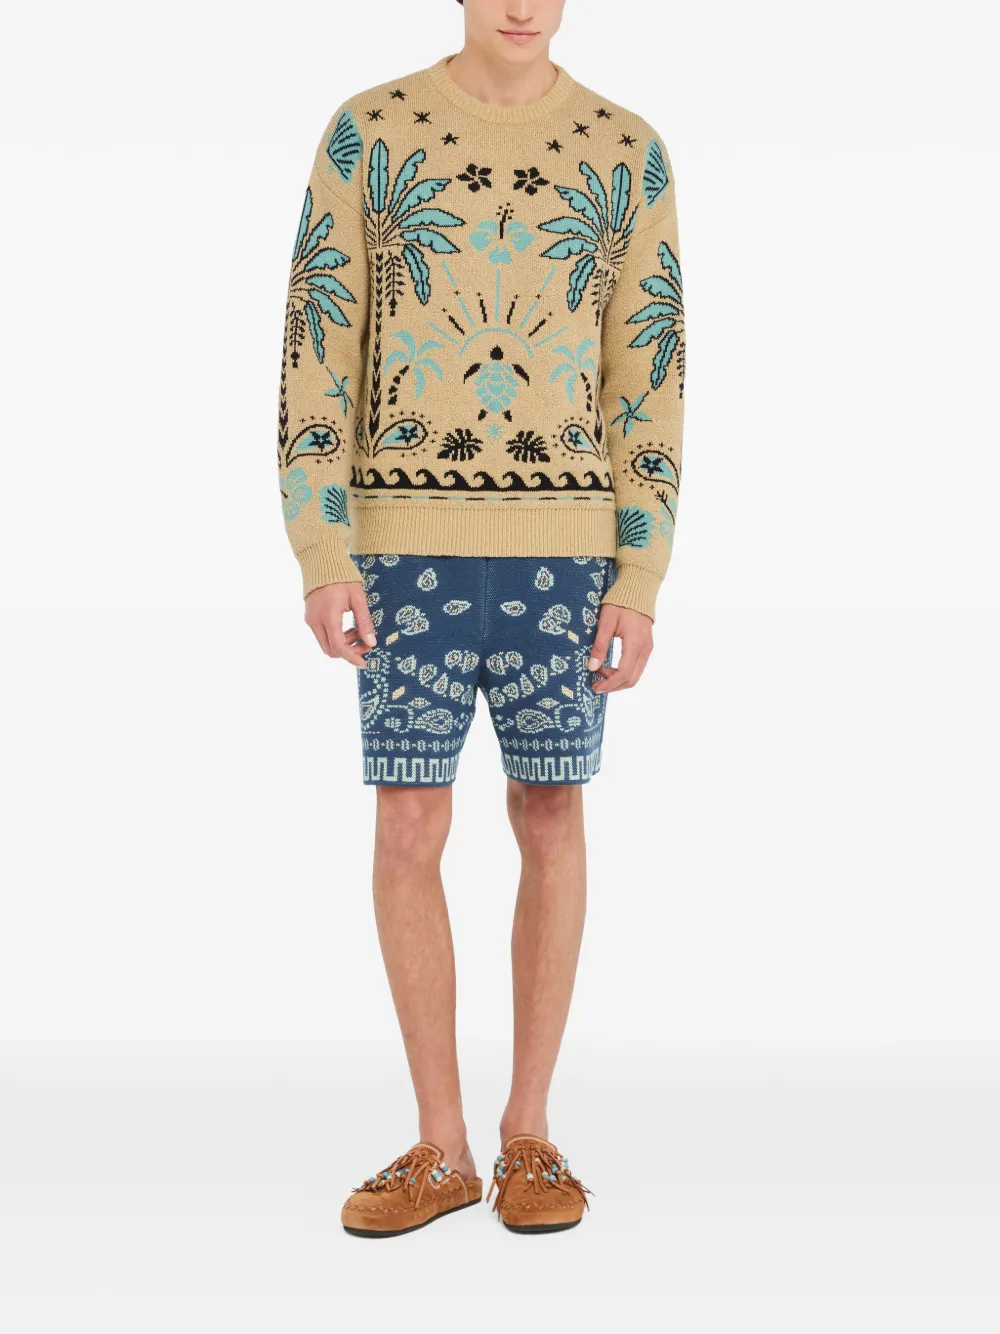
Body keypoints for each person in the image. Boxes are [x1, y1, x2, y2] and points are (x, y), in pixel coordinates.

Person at [276, 0, 684, 1237]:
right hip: (400, 547)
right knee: (409, 821)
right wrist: (320, 544)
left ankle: (530, 1134)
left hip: (569, 552)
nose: (521, 3)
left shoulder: (627, 150)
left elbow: (651, 371)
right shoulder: (368, 133)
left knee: (551, 812)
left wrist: (640, 571)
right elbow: (315, 345)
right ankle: (440, 1144)